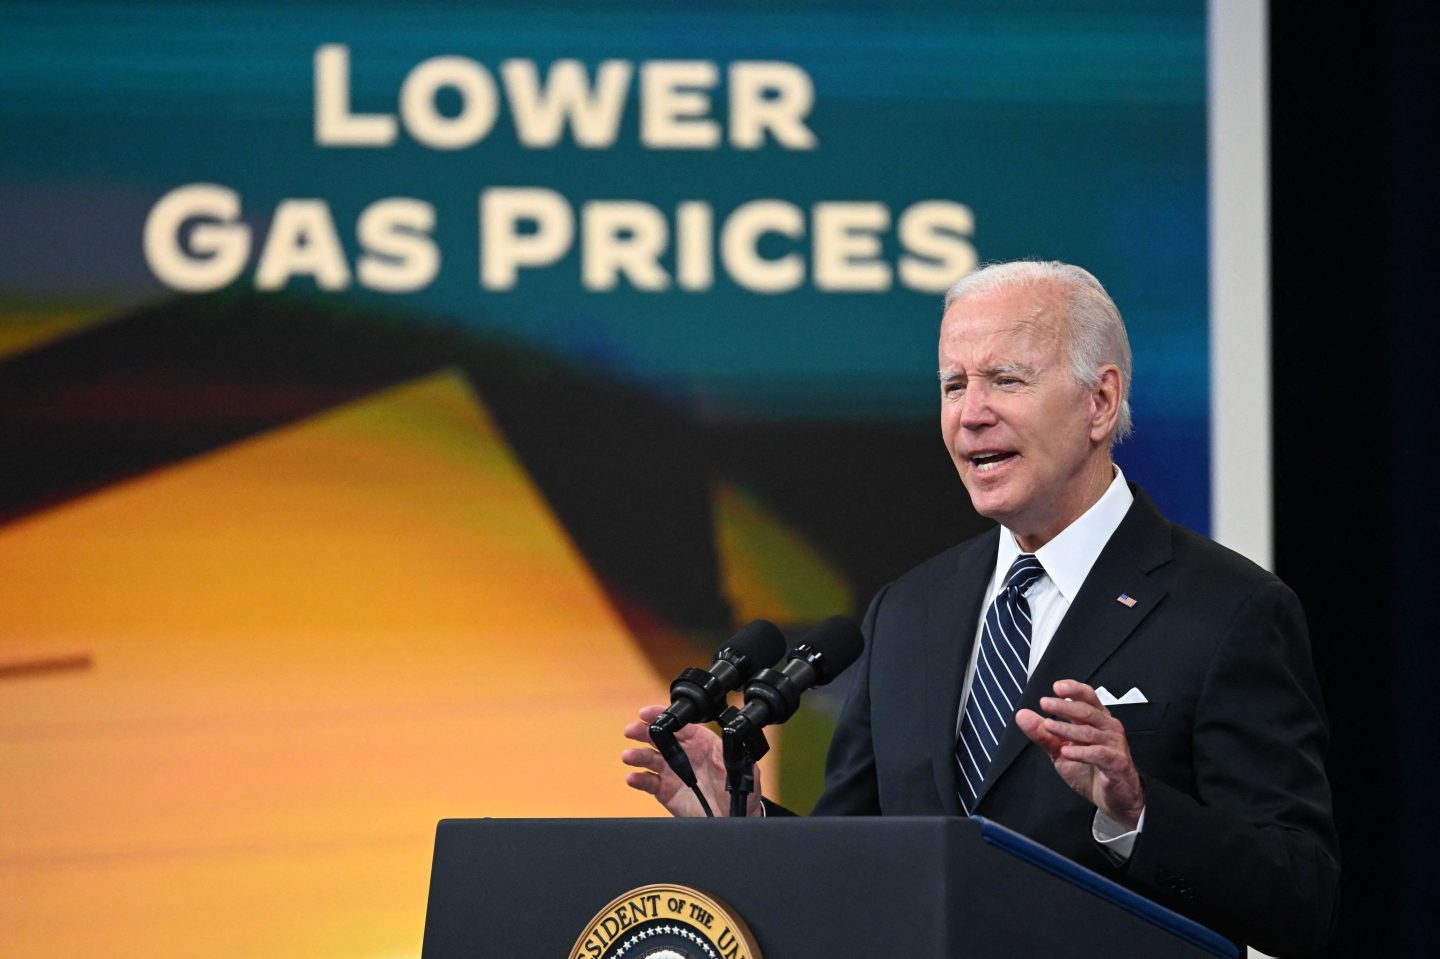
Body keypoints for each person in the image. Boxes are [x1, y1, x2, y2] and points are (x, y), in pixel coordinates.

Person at [623, 260, 1338, 955]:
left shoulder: (1228, 610)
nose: (971, 414)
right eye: (953, 384)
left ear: (1101, 400)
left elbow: (1300, 900)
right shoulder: (908, 610)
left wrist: (1136, 812)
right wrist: (743, 814)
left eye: (1005, 379)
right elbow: (855, 861)